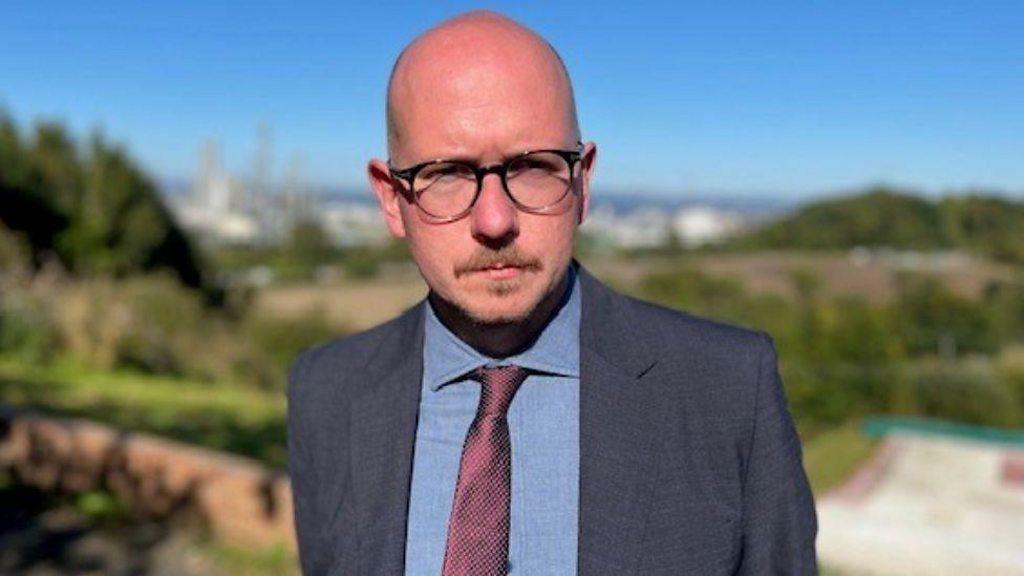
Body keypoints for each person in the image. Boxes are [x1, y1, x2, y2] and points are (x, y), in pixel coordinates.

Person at [287, 10, 817, 576]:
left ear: (583, 181)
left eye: (534, 167)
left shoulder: (728, 389)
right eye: (446, 175)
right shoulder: (326, 392)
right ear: (392, 198)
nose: (494, 221)